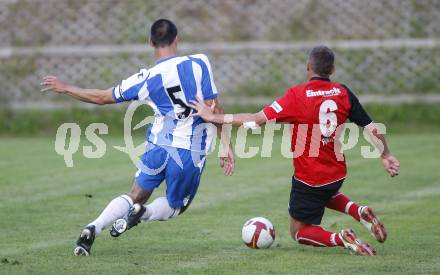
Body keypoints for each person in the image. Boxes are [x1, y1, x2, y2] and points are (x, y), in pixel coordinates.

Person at [41, 19, 234, 256]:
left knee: (135, 195)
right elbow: (215, 109)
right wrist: (226, 145)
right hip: (189, 151)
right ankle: (144, 213)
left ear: (151, 42)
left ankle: (95, 226)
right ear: (177, 39)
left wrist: (66, 87)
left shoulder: (146, 77)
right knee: (175, 207)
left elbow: (102, 97)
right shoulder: (199, 62)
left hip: (157, 146)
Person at [190, 46, 400, 256]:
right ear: (332, 70)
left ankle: (341, 238)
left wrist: (213, 117)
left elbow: (255, 120)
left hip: (309, 178)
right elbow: (371, 126)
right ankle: (358, 211)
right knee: (324, 194)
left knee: (299, 231)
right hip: (337, 173)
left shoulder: (297, 95)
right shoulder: (343, 92)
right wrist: (386, 155)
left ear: (308, 67)